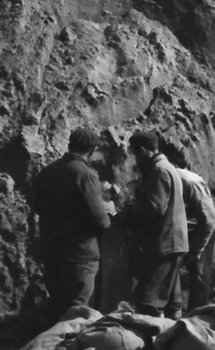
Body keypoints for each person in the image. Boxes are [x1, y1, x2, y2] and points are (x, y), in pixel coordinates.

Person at [31, 127, 113, 318]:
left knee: (57, 304)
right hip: (78, 254)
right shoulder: (85, 174)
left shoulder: (47, 171)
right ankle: (67, 346)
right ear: (92, 150)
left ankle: (50, 345)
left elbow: (37, 206)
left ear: (70, 145)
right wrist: (108, 214)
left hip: (51, 249)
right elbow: (99, 219)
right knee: (76, 310)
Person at [124, 130, 188, 318]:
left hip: (164, 243)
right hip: (174, 242)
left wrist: (128, 214)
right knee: (172, 301)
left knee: (149, 301)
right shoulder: (168, 167)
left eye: (136, 155)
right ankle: (174, 340)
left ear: (143, 151)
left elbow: (155, 208)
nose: (135, 160)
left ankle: (150, 344)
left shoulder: (159, 170)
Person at [173, 155, 215, 311]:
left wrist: (195, 251)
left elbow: (209, 220)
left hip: (203, 227)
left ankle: (198, 315)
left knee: (199, 272)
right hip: (184, 225)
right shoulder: (155, 177)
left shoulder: (190, 183)